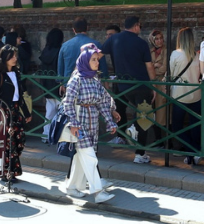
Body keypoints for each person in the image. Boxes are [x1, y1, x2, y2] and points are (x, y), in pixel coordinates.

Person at [61, 44, 121, 202]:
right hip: (79, 125)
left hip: (93, 123)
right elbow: (68, 103)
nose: (97, 62)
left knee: (81, 158)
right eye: (93, 59)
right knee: (90, 157)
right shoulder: (76, 80)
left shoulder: (94, 80)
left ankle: (72, 187)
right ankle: (98, 192)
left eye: (97, 59)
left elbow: (103, 103)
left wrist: (110, 122)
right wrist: (73, 123)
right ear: (85, 61)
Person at [101, 16, 156, 163]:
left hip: (122, 85)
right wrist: (154, 85)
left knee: (127, 110)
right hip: (141, 85)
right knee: (144, 117)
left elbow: (98, 54)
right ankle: (139, 153)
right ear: (136, 26)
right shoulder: (141, 43)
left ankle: (131, 130)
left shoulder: (114, 39)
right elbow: (149, 67)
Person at [0, 44, 33, 184]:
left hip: (15, 111)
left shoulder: (16, 74)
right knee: (8, 143)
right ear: (4, 58)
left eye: (15, 56)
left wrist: (26, 113)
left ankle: (11, 170)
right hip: (4, 112)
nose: (15, 58)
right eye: (12, 56)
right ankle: (6, 172)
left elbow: (19, 96)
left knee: (19, 140)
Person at [168, 27, 203, 166]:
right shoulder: (197, 56)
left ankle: (193, 150)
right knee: (195, 126)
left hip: (180, 94)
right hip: (196, 94)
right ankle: (193, 154)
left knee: (177, 127)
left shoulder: (175, 54)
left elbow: (171, 74)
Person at [58, 18, 106, 82]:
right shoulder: (96, 45)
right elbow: (103, 68)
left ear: (73, 30)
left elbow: (60, 68)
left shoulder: (65, 46)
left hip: (69, 82)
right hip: (90, 83)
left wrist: (61, 82)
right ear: (87, 28)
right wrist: (105, 81)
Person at [148, 29, 170, 138]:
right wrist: (155, 65)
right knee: (152, 112)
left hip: (162, 83)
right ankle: (157, 139)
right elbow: (146, 67)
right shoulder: (150, 51)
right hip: (151, 84)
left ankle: (165, 140)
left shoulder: (167, 51)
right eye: (156, 39)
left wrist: (152, 68)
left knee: (163, 112)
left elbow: (165, 68)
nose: (159, 41)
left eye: (161, 38)